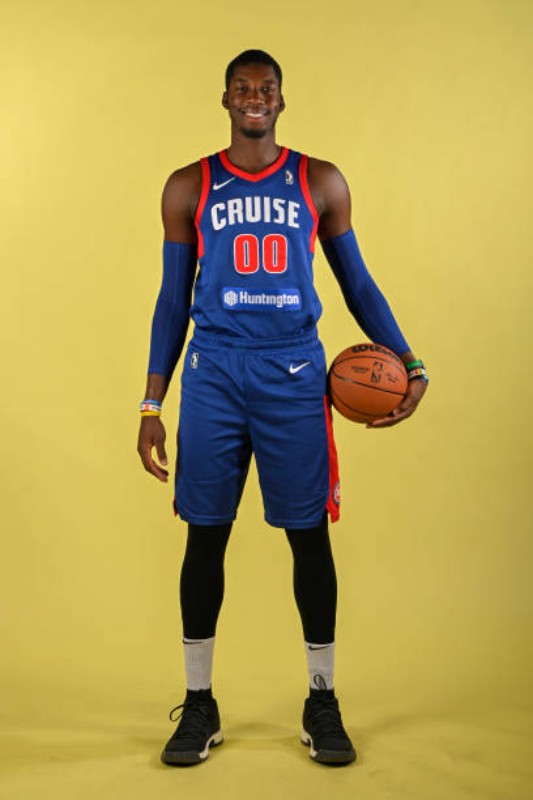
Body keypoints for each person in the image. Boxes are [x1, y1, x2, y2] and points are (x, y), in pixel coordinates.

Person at [137, 49, 428, 767]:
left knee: (308, 538)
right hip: (213, 372)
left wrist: (410, 360)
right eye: (242, 88)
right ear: (225, 99)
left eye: (266, 88)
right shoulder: (188, 185)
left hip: (294, 373)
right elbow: (173, 299)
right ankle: (199, 704)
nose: (254, 98)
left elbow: (357, 283)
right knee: (204, 538)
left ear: (281, 100)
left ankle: (321, 700)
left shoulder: (318, 180)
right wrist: (151, 401)